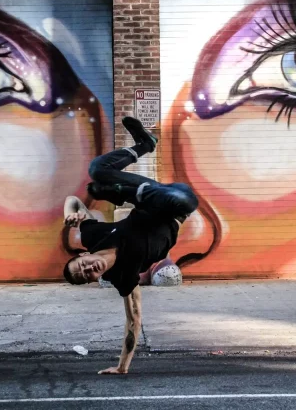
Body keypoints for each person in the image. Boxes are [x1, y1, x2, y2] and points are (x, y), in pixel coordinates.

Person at [62, 116, 198, 375]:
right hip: (178, 205)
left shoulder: (94, 236)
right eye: (87, 275)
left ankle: (144, 145)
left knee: (96, 171)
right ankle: (114, 191)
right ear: (97, 278)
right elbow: (134, 320)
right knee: (99, 187)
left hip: (152, 194)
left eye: (82, 265)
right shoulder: (123, 276)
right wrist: (122, 366)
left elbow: (72, 201)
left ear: (84, 255)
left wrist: (71, 214)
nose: (90, 268)